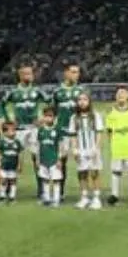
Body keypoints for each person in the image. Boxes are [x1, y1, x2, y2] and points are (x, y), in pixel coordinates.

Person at [4, 64, 47, 190]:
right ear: (20, 75)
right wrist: (8, 121)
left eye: (31, 73)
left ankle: (41, 189)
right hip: (19, 129)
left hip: (34, 129)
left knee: (37, 158)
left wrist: (43, 118)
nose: (30, 76)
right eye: (27, 73)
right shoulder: (13, 92)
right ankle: (9, 188)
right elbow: (1, 105)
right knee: (13, 157)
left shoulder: (37, 91)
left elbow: (50, 102)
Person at [52, 64, 86, 198]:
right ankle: (59, 192)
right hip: (62, 131)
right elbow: (53, 112)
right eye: (73, 72)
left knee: (82, 162)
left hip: (79, 133)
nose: (76, 75)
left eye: (77, 72)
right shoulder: (57, 92)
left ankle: (85, 193)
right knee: (61, 161)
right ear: (66, 73)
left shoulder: (81, 91)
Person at [103, 86, 128, 206]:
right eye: (118, 94)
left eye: (123, 93)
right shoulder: (111, 112)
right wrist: (111, 143)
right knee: (116, 170)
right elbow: (109, 130)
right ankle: (114, 195)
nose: (120, 96)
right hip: (117, 143)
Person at [69, 92, 104, 210]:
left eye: (85, 99)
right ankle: (84, 197)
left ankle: (96, 197)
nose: (82, 102)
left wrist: (96, 148)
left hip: (92, 148)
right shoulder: (74, 118)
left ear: (89, 102)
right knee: (82, 173)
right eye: (80, 100)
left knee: (94, 173)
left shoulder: (95, 116)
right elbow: (73, 135)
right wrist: (74, 149)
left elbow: (99, 133)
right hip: (81, 149)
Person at [36, 108, 64, 207]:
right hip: (43, 160)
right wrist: (38, 159)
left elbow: (60, 145)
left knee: (56, 180)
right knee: (45, 179)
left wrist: (59, 159)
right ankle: (47, 198)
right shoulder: (41, 130)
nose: (48, 118)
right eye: (46, 116)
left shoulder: (57, 129)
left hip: (54, 160)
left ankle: (56, 199)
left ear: (54, 118)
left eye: (50, 116)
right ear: (43, 117)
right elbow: (39, 145)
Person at [0, 121, 24, 204]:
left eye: (14, 130)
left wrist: (19, 165)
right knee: (3, 180)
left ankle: (12, 196)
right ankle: (2, 195)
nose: (13, 132)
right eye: (11, 130)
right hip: (4, 165)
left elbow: (20, 154)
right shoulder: (2, 142)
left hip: (13, 165)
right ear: (5, 132)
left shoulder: (17, 142)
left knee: (13, 180)